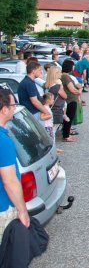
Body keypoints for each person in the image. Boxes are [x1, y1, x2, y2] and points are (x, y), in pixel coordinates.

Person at [0, 89, 30, 241]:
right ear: (4, 109)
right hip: (3, 207)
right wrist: (23, 210)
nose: (14, 108)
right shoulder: (3, 142)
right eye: (13, 105)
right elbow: (9, 181)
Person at [61, 59, 81, 142]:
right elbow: (72, 89)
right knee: (69, 118)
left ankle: (66, 133)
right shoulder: (66, 76)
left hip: (68, 99)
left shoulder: (63, 75)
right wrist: (78, 91)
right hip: (70, 99)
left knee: (68, 118)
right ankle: (66, 135)